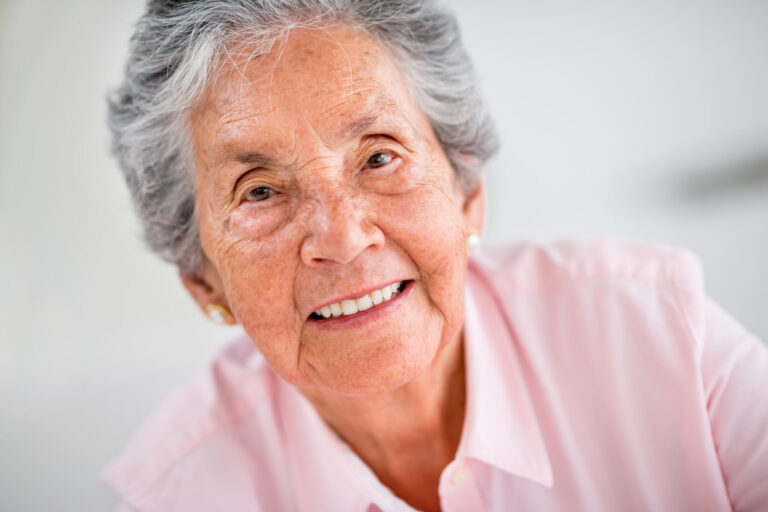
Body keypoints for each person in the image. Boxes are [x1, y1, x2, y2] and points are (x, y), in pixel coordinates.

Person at [101, 1, 768, 511]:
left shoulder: (656, 328)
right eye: (263, 192)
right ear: (202, 281)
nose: (343, 237)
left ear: (468, 194)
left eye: (380, 156)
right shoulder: (184, 494)